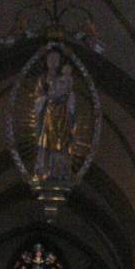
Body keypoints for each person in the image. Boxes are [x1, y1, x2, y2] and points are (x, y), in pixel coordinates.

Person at [33, 48, 77, 181]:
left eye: (56, 59)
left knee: (61, 141)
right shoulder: (42, 79)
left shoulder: (63, 79)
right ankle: (44, 168)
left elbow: (68, 92)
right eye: (51, 59)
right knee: (46, 139)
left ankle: (59, 169)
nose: (53, 62)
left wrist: (65, 96)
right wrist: (47, 98)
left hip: (61, 114)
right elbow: (38, 97)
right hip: (47, 114)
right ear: (46, 61)